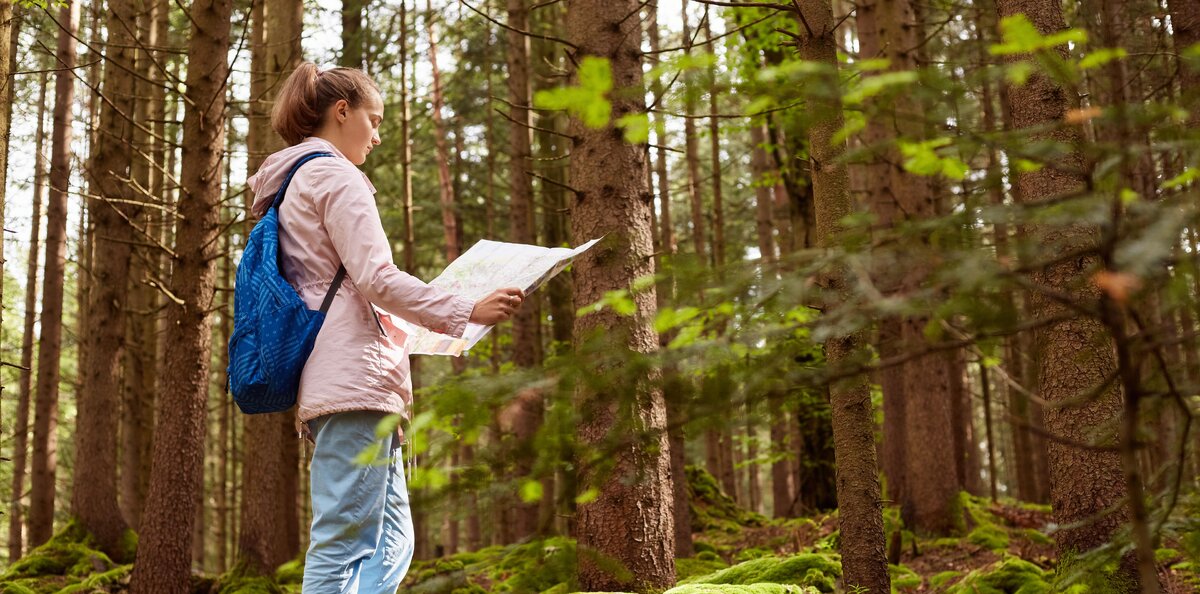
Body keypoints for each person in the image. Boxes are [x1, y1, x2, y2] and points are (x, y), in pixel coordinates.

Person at [246, 63, 524, 593]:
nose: (376, 135)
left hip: (358, 380)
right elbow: (376, 278)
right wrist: (465, 310)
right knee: (343, 541)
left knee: (393, 542)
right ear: (341, 112)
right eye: (373, 120)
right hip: (353, 384)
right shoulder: (335, 176)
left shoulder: (298, 182)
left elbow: (346, 286)